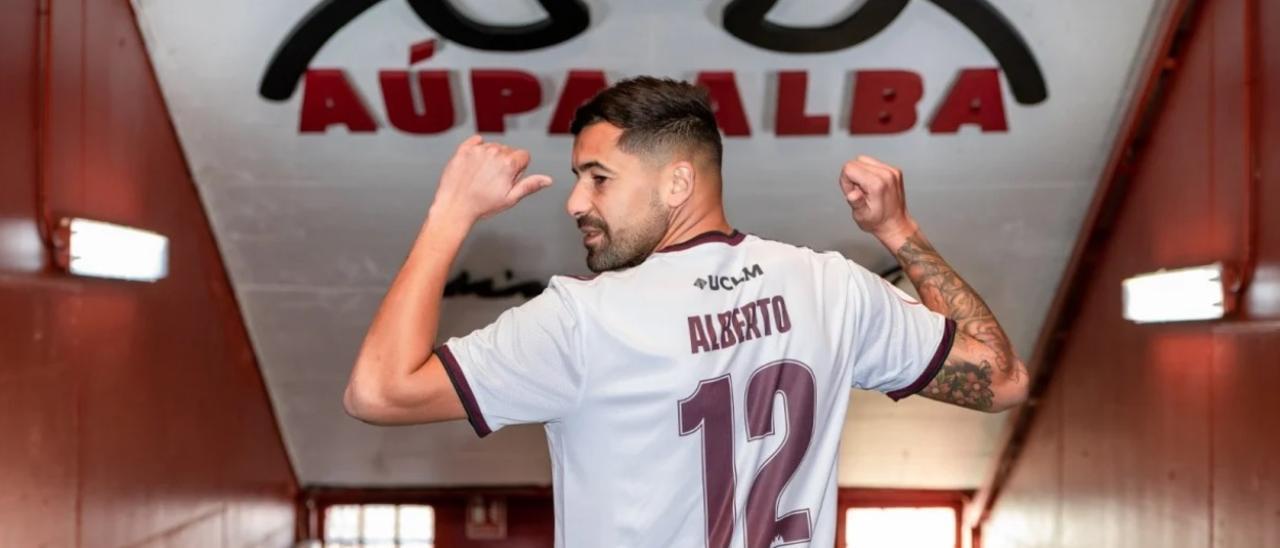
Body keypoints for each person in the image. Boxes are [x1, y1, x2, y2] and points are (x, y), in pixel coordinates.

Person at [344, 76, 1028, 547]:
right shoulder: (830, 288)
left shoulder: (582, 322)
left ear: (678, 182)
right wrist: (900, 231)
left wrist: (450, 214)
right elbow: (1001, 380)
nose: (576, 202)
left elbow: (378, 392)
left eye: (598, 178)